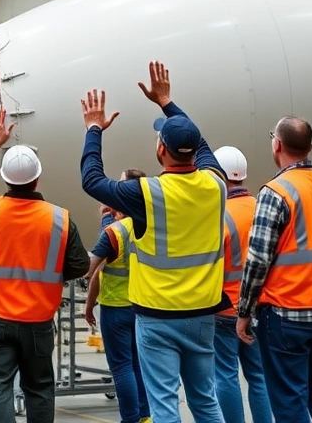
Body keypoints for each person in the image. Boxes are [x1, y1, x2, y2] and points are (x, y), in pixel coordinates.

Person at [80, 60, 229, 423]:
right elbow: (202, 141)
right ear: (193, 152)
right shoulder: (216, 184)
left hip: (157, 317)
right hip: (201, 314)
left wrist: (94, 129)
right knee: (205, 401)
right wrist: (167, 102)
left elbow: (91, 180)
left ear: (161, 149)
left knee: (163, 405)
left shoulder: (146, 194)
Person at [0, 108, 90, 423]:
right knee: (40, 388)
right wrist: (51, 275)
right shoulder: (59, 218)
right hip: (38, 320)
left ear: (4, 178)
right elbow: (80, 265)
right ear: (37, 178)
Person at [236, 116, 312, 423]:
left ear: (277, 145)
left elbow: (258, 259)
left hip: (286, 312)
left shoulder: (276, 192)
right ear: (310, 147)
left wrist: (244, 311)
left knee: (289, 401)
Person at [84, 168, 151, 423]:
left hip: (115, 308)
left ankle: (130, 418)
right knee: (137, 365)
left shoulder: (115, 232)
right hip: (142, 305)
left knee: (121, 367)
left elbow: (92, 270)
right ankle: (145, 416)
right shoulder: (149, 223)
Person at [209, 147, 272, 423]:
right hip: (261, 306)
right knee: (259, 376)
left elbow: (210, 265)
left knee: (225, 375)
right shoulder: (263, 207)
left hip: (226, 309)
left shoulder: (218, 215)